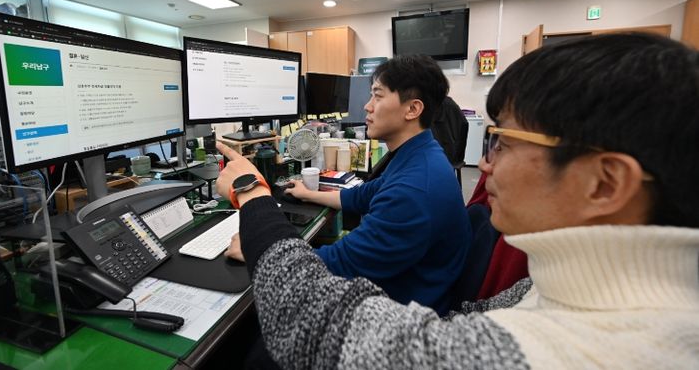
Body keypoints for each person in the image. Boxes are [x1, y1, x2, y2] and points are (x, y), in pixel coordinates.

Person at [216, 33, 699, 369]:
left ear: (605, 183)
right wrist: (309, 193)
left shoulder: (589, 352)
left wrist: (252, 195)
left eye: (503, 142)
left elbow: (313, 321)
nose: (484, 167)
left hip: (407, 302)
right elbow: (366, 194)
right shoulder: (563, 291)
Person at [226, 56, 472, 315]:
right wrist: (308, 194)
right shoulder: (420, 155)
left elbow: (332, 268)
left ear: (412, 109)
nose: (367, 106)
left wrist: (259, 246)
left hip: (398, 315)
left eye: (378, 96)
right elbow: (362, 196)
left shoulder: (414, 190)